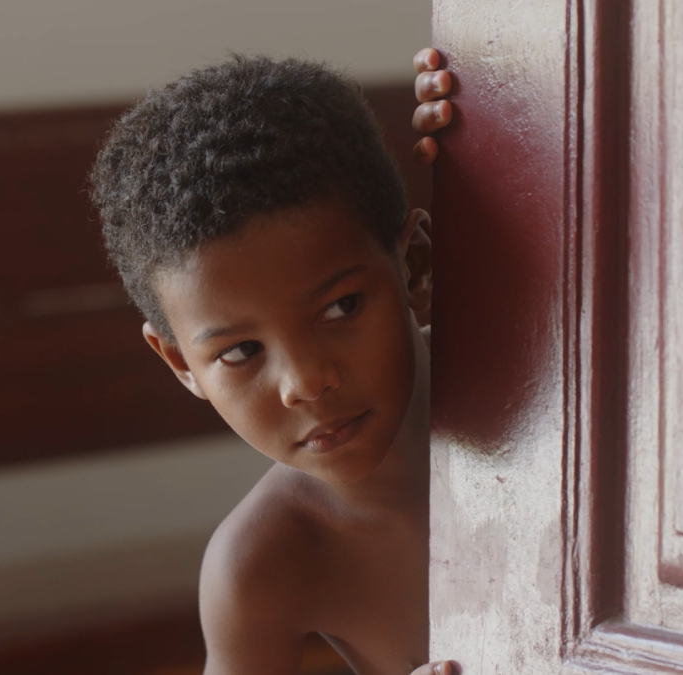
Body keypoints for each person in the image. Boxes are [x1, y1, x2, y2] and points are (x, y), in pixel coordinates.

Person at [89, 48, 454, 675]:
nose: (305, 382)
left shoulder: (550, 384)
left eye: (341, 308)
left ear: (414, 267)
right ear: (180, 363)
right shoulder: (262, 564)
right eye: (239, 351)